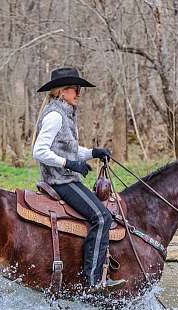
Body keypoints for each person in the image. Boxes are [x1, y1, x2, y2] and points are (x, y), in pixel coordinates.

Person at [32, 67, 123, 291]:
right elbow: (39, 151)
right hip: (60, 181)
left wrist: (93, 153)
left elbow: (70, 149)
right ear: (62, 91)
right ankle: (93, 280)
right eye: (75, 89)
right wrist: (68, 164)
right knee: (102, 217)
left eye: (79, 89)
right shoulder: (54, 116)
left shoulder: (65, 113)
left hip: (68, 178)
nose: (79, 94)